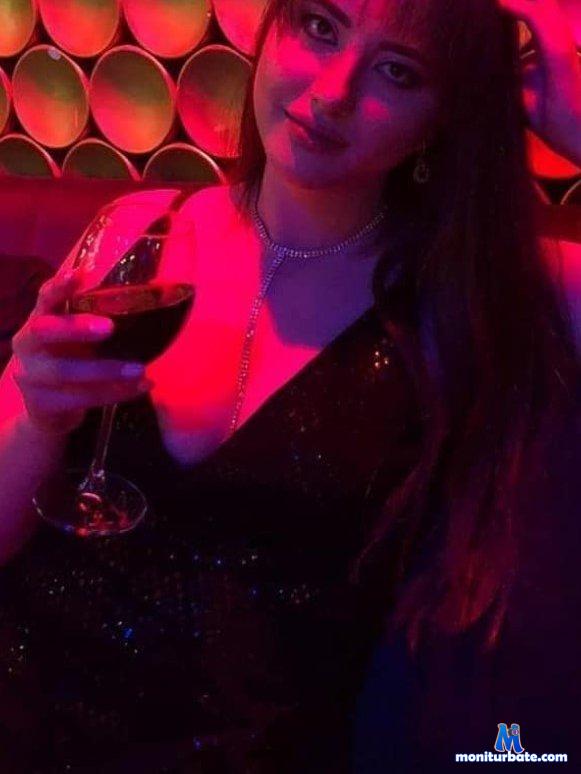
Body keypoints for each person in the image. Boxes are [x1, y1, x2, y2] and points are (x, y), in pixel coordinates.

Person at [0, 0, 579, 771]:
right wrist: (39, 422)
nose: (332, 91)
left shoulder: (469, 288)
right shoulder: (136, 227)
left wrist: (574, 125)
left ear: (441, 119)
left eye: (397, 71)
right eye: (319, 28)